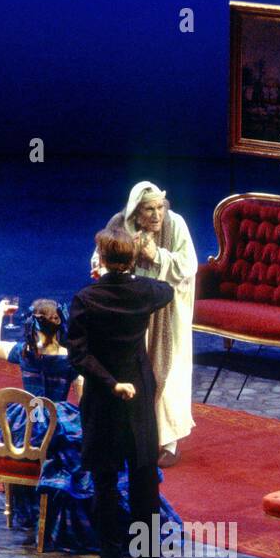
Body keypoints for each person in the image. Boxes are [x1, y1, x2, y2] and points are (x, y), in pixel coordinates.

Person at [0, 298, 181, 553]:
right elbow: (83, 399)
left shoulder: (24, 352)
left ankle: (32, 508)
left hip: (26, 427)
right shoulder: (70, 359)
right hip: (54, 424)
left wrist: (0, 312)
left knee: (26, 441)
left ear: (32, 325)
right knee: (87, 457)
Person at [69, 228, 175, 558]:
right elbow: (168, 290)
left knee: (105, 478)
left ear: (100, 260)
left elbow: (79, 356)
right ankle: (145, 550)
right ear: (131, 260)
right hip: (139, 393)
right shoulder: (146, 292)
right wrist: (138, 265)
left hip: (104, 396)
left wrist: (112, 383)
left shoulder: (86, 298)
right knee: (143, 473)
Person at [103, 181, 197, 467]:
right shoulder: (120, 224)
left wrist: (156, 255)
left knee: (167, 372)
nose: (157, 215)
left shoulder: (176, 224)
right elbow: (101, 254)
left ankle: (168, 441)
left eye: (160, 208)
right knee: (133, 372)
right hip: (132, 313)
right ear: (136, 211)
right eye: (149, 209)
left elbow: (188, 265)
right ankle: (132, 436)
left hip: (168, 311)